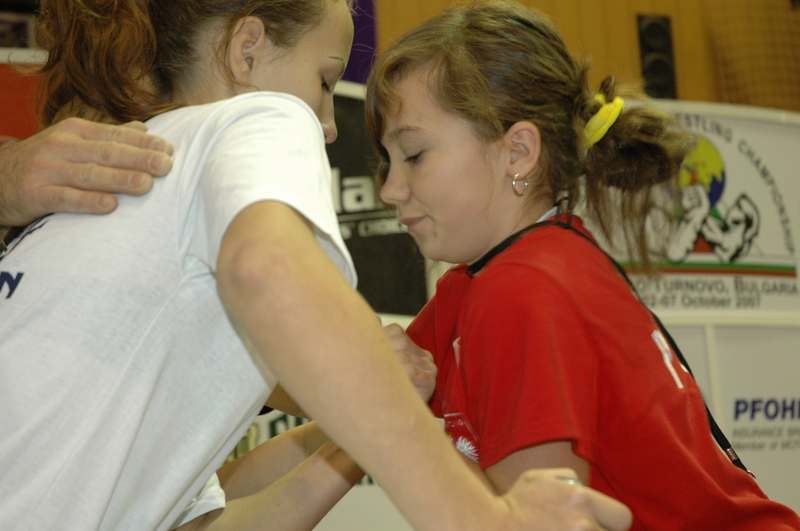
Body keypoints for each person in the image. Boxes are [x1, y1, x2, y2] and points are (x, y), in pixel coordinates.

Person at [0, 1, 632, 531]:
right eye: (326, 83)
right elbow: (267, 268)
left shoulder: (113, 230)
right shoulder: (252, 115)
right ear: (247, 51)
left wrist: (357, 429)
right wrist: (480, 517)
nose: (328, 126)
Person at [364, 1, 800, 530]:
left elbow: (537, 524)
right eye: (387, 161)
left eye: (414, 155)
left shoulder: (522, 287)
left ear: (518, 152)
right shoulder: (492, 279)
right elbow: (331, 386)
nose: (390, 189)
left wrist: (394, 420)